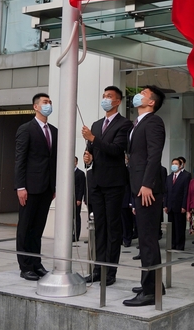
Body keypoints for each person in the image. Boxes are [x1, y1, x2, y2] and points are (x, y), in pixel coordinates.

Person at [81, 85, 133, 286]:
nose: (105, 99)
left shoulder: (124, 124)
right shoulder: (96, 124)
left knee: (113, 227)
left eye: (109, 96)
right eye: (103, 96)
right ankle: (97, 269)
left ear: (118, 101)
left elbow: (116, 149)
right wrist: (88, 156)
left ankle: (110, 273)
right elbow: (91, 151)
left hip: (114, 182)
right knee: (99, 227)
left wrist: (93, 139)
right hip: (96, 181)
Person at [123, 85, 167, 307]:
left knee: (147, 239)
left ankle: (150, 291)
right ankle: (154, 283)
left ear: (151, 102)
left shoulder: (153, 122)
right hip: (137, 186)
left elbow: (154, 154)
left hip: (146, 188)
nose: (138, 95)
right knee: (145, 236)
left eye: (144, 93)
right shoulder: (137, 123)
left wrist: (147, 183)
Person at [14, 93, 57, 281]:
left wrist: (54, 185)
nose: (48, 105)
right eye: (45, 102)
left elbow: (53, 160)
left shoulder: (54, 131)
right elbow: (20, 159)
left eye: (50, 102)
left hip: (47, 187)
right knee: (26, 227)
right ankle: (25, 266)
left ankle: (36, 263)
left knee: (38, 228)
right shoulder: (26, 129)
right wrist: (20, 186)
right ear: (36, 107)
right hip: (29, 187)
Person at [165, 157, 190, 251]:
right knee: (172, 227)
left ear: (180, 166)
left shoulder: (185, 176)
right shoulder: (169, 177)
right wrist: (166, 205)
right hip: (170, 206)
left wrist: (184, 206)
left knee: (180, 227)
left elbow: (185, 192)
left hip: (180, 206)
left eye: (176, 164)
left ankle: (180, 245)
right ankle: (173, 244)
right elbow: (166, 192)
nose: (174, 166)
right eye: (173, 164)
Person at [73, 156, 86, 242]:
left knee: (76, 216)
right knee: (69, 217)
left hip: (76, 198)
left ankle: (76, 235)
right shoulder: (67, 173)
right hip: (68, 199)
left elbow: (82, 187)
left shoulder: (80, 173)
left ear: (76, 162)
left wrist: (79, 199)